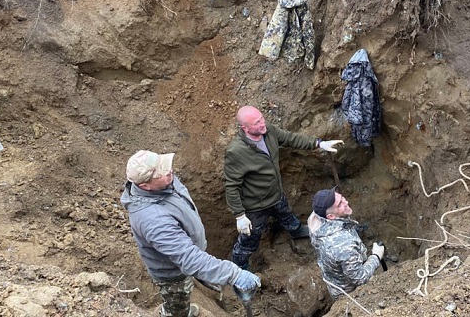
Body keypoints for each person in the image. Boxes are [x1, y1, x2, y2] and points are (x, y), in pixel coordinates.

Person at [121, 150, 260, 317]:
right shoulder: (153, 220)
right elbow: (190, 259)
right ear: (145, 186)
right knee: (178, 298)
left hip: (187, 254)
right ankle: (177, 312)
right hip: (172, 273)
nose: (169, 171)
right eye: (162, 173)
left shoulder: (164, 182)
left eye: (165, 167)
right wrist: (235, 274)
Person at [224, 105, 343, 269]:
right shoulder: (236, 151)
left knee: (287, 214)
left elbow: (291, 138)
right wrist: (239, 216)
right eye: (257, 122)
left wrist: (318, 144)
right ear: (245, 128)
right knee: (249, 240)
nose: (262, 123)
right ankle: (238, 270)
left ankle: (295, 231)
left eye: (262, 118)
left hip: (276, 194)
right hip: (255, 207)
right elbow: (231, 186)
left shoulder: (268, 131)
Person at [308, 188, 384, 298]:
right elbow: (359, 278)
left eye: (341, 197)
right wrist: (376, 256)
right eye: (339, 204)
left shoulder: (316, 219)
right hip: (349, 292)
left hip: (334, 279)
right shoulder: (344, 245)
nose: (346, 202)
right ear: (331, 217)